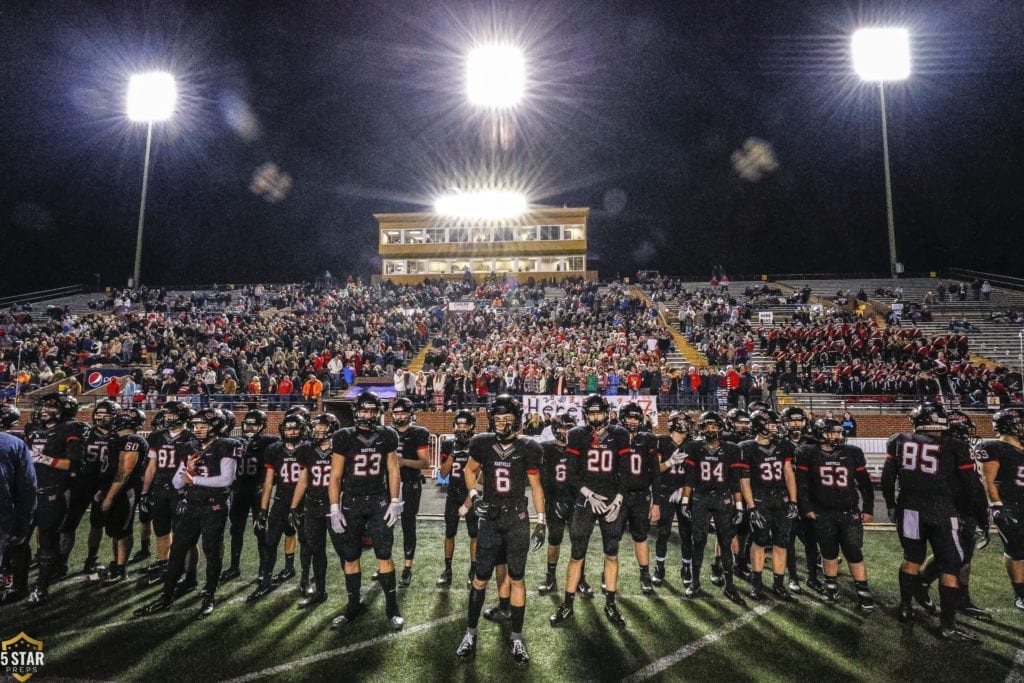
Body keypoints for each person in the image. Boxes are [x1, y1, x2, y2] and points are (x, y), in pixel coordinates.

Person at [882, 403, 988, 641]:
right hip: (941, 510)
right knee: (950, 565)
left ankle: (906, 606)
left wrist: (890, 504)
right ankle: (947, 626)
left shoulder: (898, 439)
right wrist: (982, 517)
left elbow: (888, 478)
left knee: (911, 558)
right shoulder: (955, 446)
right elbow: (972, 486)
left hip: (909, 508)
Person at [455, 395, 546, 666]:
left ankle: (516, 636)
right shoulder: (482, 442)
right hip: (491, 519)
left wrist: (541, 519)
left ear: (517, 421)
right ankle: (470, 633)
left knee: (517, 578)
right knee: (480, 577)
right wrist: (473, 494)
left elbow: (536, 485)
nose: (501, 423)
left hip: (517, 519)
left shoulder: (528, 446)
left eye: (507, 419)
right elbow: (469, 471)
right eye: (497, 418)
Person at [134, 408, 241, 618]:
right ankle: (166, 595)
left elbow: (226, 480)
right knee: (178, 551)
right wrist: (188, 471)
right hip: (191, 504)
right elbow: (176, 481)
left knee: (211, 550)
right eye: (196, 426)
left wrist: (194, 479)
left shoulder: (228, 445)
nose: (197, 430)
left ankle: (209, 594)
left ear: (216, 427)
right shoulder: (190, 447)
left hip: (214, 506)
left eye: (203, 426)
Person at [550, 393, 630, 628]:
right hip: (586, 499)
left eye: (599, 412)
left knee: (612, 553)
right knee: (576, 554)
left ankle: (611, 603)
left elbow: (626, 472)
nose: (595, 417)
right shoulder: (577, 435)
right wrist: (587, 494)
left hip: (610, 499)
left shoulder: (620, 434)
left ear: (606, 412)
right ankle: (567, 604)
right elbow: (572, 474)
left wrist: (618, 500)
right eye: (591, 412)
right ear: (586, 414)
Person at [328, 390, 404, 630]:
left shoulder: (387, 435)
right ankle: (353, 605)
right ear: (356, 411)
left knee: (384, 553)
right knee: (350, 556)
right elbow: (335, 475)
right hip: (351, 501)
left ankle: (392, 606)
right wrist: (334, 508)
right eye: (364, 410)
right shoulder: (343, 437)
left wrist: (394, 500)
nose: (367, 415)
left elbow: (393, 469)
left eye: (372, 410)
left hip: (378, 501)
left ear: (378, 412)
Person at [916, 410, 990, 620]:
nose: (968, 433)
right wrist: (980, 513)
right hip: (954, 509)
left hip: (959, 508)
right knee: (955, 556)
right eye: (964, 429)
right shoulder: (950, 450)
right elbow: (969, 485)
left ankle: (958, 596)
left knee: (962, 556)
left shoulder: (951, 448)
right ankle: (924, 585)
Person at [796, 418, 875, 610]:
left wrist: (868, 509)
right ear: (820, 434)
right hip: (823, 511)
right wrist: (806, 508)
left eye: (839, 432)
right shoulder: (807, 452)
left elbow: (865, 483)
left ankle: (862, 589)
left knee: (854, 551)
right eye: (833, 433)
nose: (838, 436)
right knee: (828, 551)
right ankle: (830, 585)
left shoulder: (852, 452)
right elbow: (802, 485)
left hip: (848, 511)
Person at [24, 394, 90, 604]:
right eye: (43, 405)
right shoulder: (33, 429)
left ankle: (42, 586)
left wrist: (45, 459)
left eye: (50, 407)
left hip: (55, 489)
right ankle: (17, 583)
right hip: (30, 489)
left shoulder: (72, 428)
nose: (44, 409)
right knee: (18, 538)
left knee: (47, 537)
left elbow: (74, 465)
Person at [681, 411, 745, 604]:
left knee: (725, 542)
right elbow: (690, 477)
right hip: (700, 498)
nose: (711, 430)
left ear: (721, 428)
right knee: (698, 540)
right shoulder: (694, 447)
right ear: (702, 428)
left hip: (723, 499)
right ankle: (695, 582)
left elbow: (735, 481)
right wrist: (685, 501)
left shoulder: (731, 449)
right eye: (708, 427)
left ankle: (730, 586)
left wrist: (739, 506)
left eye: (715, 427)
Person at [248, 412, 311, 601]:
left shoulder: (309, 449)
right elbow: (268, 483)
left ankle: (305, 579)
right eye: (287, 428)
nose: (290, 432)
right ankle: (266, 580)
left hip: (305, 501)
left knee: (307, 542)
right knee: (270, 541)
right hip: (281, 499)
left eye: (294, 428)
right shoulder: (274, 449)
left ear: (302, 430)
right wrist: (263, 510)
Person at [738, 409, 799, 601]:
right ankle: (757, 584)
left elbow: (789, 474)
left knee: (782, 542)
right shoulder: (746, 448)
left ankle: (779, 585)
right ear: (759, 425)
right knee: (760, 541)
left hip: (780, 498)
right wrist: (751, 506)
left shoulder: (783, 446)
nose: (775, 427)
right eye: (770, 424)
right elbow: (744, 480)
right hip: (759, 499)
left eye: (775, 424)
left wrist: (793, 501)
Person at [137, 400, 195, 588]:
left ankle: (186, 572)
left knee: (184, 534)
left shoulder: (192, 437)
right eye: (167, 415)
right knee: (161, 530)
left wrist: (188, 492)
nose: (169, 418)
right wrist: (145, 491)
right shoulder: (157, 436)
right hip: (160, 488)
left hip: (180, 490)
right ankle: (164, 565)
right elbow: (152, 466)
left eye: (172, 415)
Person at [60, 399, 120, 575]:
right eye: (98, 414)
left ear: (114, 416)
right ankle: (61, 562)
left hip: (103, 484)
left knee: (97, 524)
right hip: (81, 483)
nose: (101, 418)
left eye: (106, 415)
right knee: (68, 524)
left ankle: (91, 559)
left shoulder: (118, 436)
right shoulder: (86, 432)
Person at [288, 412, 341, 608]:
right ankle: (320, 591)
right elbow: (303, 480)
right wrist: (294, 506)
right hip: (312, 504)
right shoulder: (307, 449)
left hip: (334, 505)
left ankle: (354, 594)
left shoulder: (340, 449)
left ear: (331, 429)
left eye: (322, 427)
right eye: (315, 426)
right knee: (316, 549)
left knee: (344, 550)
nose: (317, 430)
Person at [220, 409, 279, 583]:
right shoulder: (236, 442)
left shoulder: (270, 442)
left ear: (262, 426)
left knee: (260, 531)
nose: (250, 427)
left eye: (254, 424)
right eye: (248, 424)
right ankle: (234, 566)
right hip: (238, 492)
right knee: (236, 530)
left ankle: (263, 569)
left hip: (258, 491)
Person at [94, 407, 149, 584]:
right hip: (114, 489)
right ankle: (116, 564)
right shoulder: (120, 439)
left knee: (123, 531)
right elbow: (112, 469)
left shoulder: (133, 440)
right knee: (115, 532)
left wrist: (109, 496)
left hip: (125, 492)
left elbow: (124, 472)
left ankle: (121, 568)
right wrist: (103, 490)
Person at [977, 408, 1024, 612]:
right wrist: (996, 506)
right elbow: (987, 480)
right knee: (1016, 551)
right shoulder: (993, 447)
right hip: (1010, 505)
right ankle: (1021, 594)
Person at [618, 402, 662, 594]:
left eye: (636, 418)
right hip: (618, 497)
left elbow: (656, 473)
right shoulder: (614, 438)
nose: (633, 421)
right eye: (629, 417)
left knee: (641, 536)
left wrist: (657, 503)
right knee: (612, 538)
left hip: (640, 496)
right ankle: (608, 573)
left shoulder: (648, 439)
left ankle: (644, 574)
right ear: (622, 418)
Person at [390, 397, 431, 586]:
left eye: (402, 413)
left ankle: (407, 567)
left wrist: (404, 462)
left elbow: (425, 463)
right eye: (396, 413)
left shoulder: (418, 433)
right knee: (384, 526)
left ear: (410, 414)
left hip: (409, 483)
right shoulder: (387, 433)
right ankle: (385, 563)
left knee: (408, 524)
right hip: (389, 484)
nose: (399, 416)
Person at [781, 405, 820, 593]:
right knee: (788, 539)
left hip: (809, 496)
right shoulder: (779, 442)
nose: (796, 424)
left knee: (812, 539)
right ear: (785, 422)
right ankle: (793, 576)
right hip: (786, 496)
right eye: (792, 420)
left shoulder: (813, 442)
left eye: (799, 420)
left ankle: (813, 576)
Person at [437, 410, 479, 589]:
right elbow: (443, 473)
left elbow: (480, 476)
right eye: (459, 425)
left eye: (465, 425)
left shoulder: (477, 445)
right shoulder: (448, 445)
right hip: (453, 494)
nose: (462, 429)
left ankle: (473, 570)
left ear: (472, 427)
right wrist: (454, 454)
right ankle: (447, 569)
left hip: (470, 494)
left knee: (474, 534)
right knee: (449, 533)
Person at [0, 405, 36, 604]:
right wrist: (24, 522)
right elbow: (28, 487)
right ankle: (19, 586)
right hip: (6, 512)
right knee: (18, 546)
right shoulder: (14, 443)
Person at [654, 411, 694, 588]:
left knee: (686, 533)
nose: (688, 426)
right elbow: (655, 470)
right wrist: (670, 462)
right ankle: (659, 567)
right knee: (663, 532)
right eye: (686, 422)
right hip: (665, 491)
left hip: (684, 492)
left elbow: (695, 474)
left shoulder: (691, 445)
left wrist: (683, 490)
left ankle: (686, 568)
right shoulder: (662, 442)